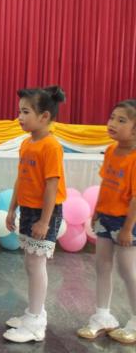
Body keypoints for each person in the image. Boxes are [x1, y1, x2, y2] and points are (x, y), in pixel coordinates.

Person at [4, 86, 66, 343]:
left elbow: (52, 185)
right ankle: (33, 312)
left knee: (36, 264)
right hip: (28, 209)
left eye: (26, 112)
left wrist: (44, 220)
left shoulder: (51, 146)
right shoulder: (26, 143)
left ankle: (36, 322)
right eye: (19, 111)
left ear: (44, 116)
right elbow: (21, 179)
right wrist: (12, 208)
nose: (19, 117)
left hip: (44, 212)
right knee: (30, 263)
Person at [77, 99, 136, 344]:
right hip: (106, 217)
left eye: (121, 120)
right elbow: (106, 183)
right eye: (112, 117)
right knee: (102, 265)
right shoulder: (111, 150)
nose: (112, 123)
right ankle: (103, 316)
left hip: (127, 221)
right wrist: (97, 210)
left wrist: (127, 229)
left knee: (127, 270)